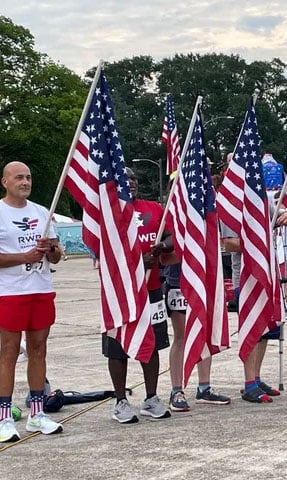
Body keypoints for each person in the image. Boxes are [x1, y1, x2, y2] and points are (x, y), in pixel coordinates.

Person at [0, 161, 63, 443]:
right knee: (9, 353)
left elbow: (57, 255)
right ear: (5, 182)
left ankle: (37, 414)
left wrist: (51, 249)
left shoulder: (42, 213)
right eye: (18, 177)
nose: (24, 182)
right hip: (10, 292)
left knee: (39, 349)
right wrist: (23, 257)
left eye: (28, 177)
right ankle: (3, 416)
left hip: (40, 289)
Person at [103, 167, 172, 424]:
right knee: (117, 347)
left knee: (151, 343)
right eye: (125, 179)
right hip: (119, 293)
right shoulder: (109, 214)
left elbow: (169, 235)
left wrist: (162, 247)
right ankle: (120, 401)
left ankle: (151, 398)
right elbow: (105, 251)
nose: (130, 183)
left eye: (134, 179)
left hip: (151, 290)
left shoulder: (153, 208)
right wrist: (138, 263)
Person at [220, 209, 287, 403]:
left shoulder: (263, 200)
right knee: (252, 329)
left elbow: (282, 214)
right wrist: (258, 241)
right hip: (245, 278)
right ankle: (249, 382)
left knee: (264, 331)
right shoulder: (232, 202)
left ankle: (257, 376)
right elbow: (228, 244)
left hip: (267, 273)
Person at [163, 263, 231, 411]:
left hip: (204, 278)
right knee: (180, 337)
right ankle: (176, 390)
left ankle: (204, 387)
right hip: (178, 281)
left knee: (205, 333)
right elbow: (164, 257)